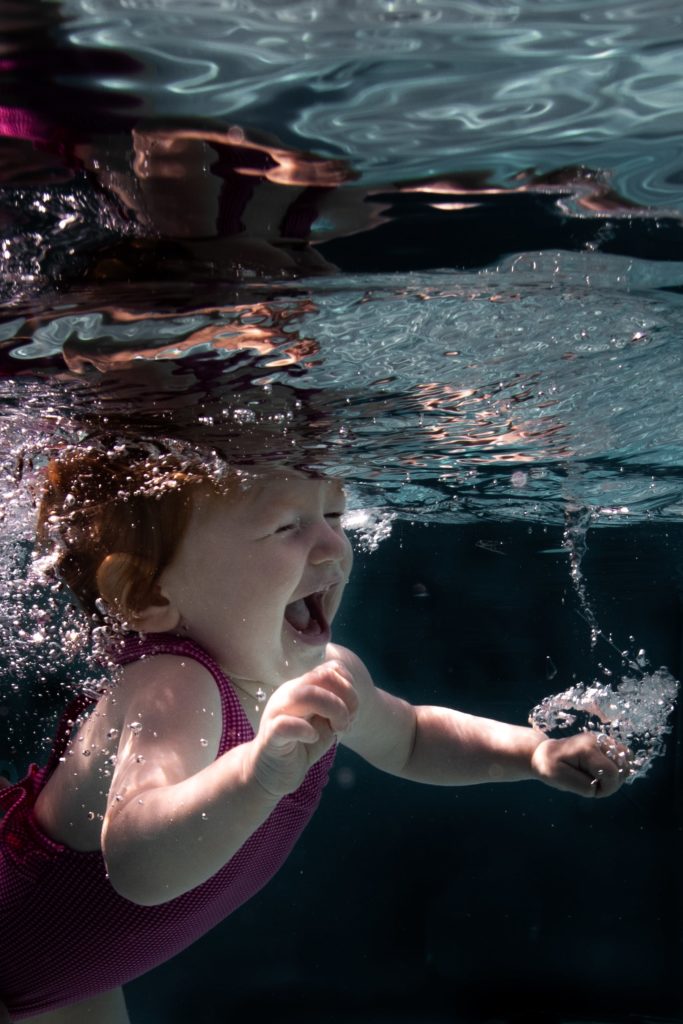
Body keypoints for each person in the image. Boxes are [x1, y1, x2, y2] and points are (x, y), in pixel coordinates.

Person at [0, 445, 630, 1023]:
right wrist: (255, 774)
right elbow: (141, 863)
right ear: (147, 595)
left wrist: (534, 752)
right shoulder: (175, 686)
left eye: (333, 512)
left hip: (73, 971)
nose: (334, 547)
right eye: (286, 527)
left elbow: (411, 737)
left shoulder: (326, 672)